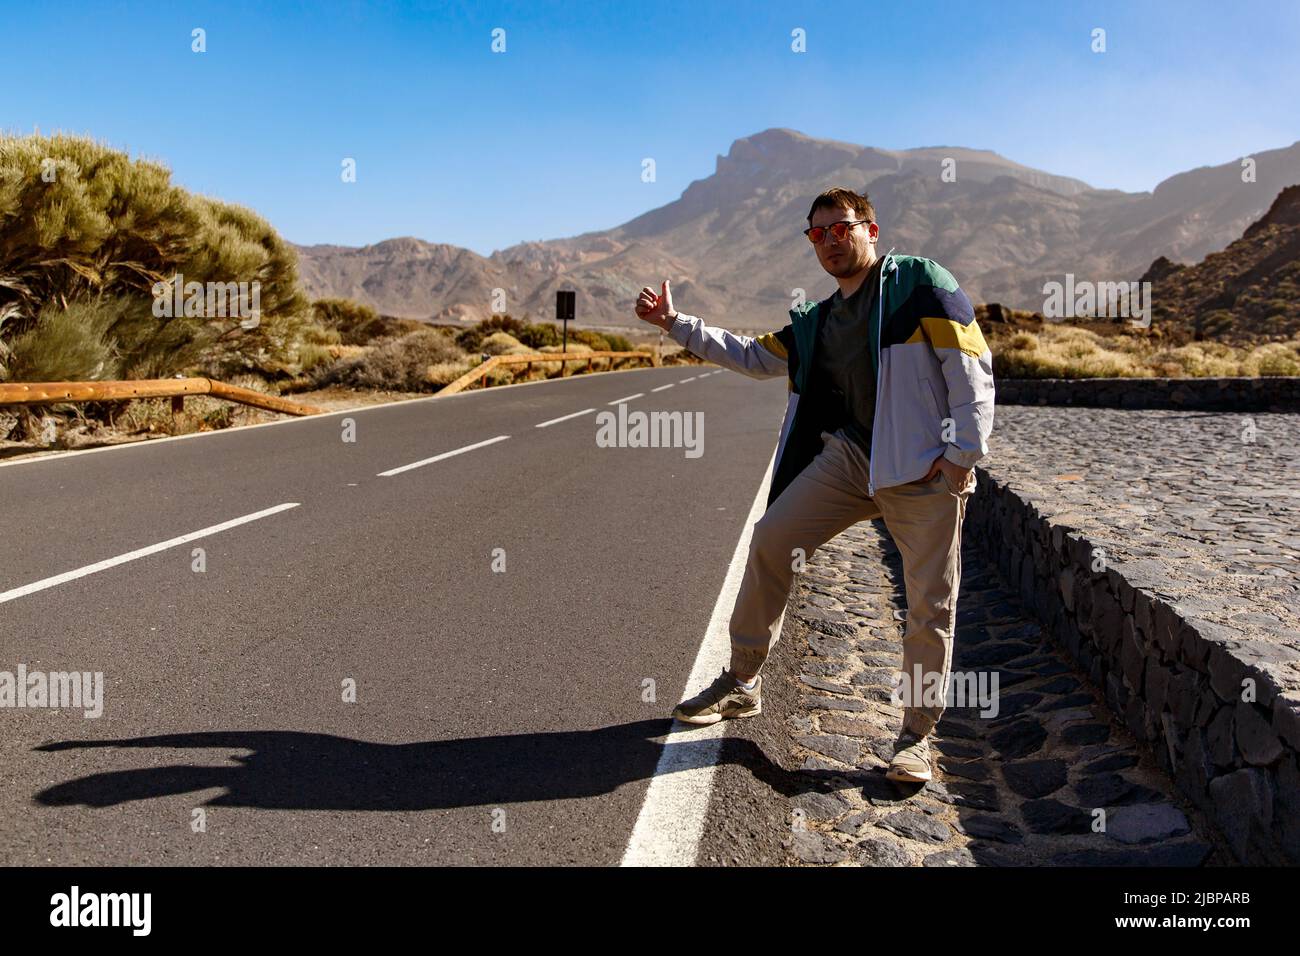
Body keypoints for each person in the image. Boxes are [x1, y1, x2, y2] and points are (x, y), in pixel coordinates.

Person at [633, 186, 995, 783]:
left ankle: (915, 737)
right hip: (853, 459)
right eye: (817, 233)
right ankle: (743, 679)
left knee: (930, 604)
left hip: (921, 467)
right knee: (772, 539)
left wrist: (962, 455)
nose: (829, 241)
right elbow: (753, 356)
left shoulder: (918, 284)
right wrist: (676, 323)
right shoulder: (819, 319)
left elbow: (970, 364)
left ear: (871, 231)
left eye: (840, 228)